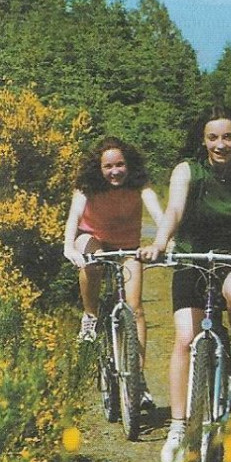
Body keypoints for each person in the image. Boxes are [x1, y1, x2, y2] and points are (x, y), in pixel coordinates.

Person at [143, 106, 231, 462]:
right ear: (202, 140)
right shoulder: (187, 170)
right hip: (193, 253)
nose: (221, 145)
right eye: (213, 137)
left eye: (228, 137)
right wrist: (159, 243)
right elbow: (173, 210)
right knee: (186, 337)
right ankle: (178, 424)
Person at [63, 136, 166, 406]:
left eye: (120, 164)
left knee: (135, 308)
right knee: (92, 261)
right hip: (93, 239)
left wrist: (164, 241)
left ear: (129, 165)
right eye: (108, 166)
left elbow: (159, 216)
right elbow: (74, 219)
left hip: (127, 247)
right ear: (98, 168)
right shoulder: (86, 187)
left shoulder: (140, 186)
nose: (115, 171)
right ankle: (90, 316)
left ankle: (136, 379)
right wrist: (68, 248)